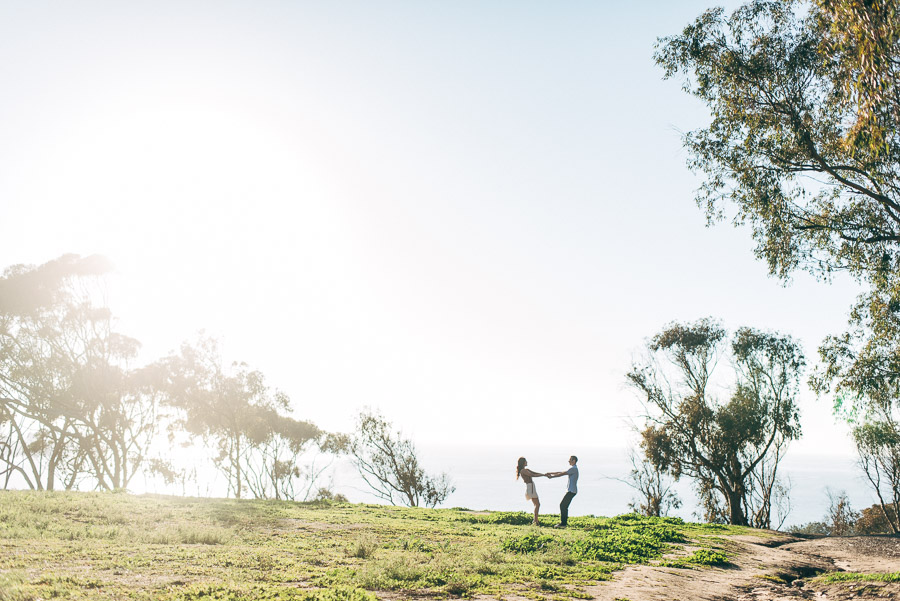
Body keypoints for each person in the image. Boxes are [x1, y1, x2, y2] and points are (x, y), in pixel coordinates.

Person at [547, 455, 578, 528]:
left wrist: (552, 477)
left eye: (570, 460)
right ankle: (563, 523)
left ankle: (563, 524)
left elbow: (562, 474)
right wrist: (551, 473)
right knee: (564, 506)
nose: (569, 461)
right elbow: (561, 472)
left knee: (562, 505)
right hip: (571, 491)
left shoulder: (574, 469)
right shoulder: (573, 469)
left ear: (574, 461)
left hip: (571, 491)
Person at [516, 457, 546, 526]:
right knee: (537, 504)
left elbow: (534, 473)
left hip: (531, 487)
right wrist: (543, 475)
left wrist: (544, 474)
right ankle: (535, 521)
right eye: (525, 461)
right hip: (530, 487)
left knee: (537, 504)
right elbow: (533, 475)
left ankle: (535, 520)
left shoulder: (526, 470)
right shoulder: (523, 471)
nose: (527, 462)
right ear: (523, 462)